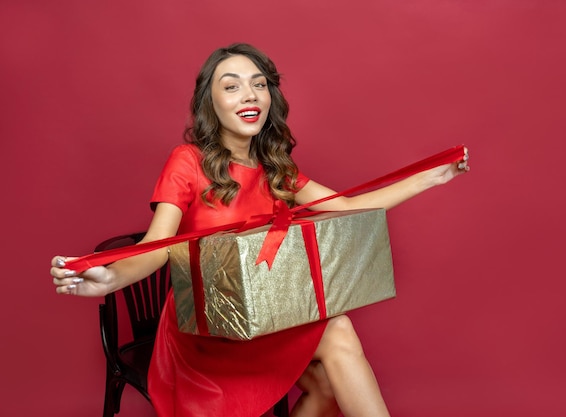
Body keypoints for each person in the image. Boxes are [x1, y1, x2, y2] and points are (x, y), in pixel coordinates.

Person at [50, 43, 469, 417]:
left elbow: (345, 207)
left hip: (265, 319)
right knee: (334, 347)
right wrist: (109, 279)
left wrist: (431, 177)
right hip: (207, 335)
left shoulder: (276, 169)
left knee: (331, 363)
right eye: (231, 86)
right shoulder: (188, 161)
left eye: (259, 84)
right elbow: (158, 248)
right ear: (209, 103)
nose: (250, 95)